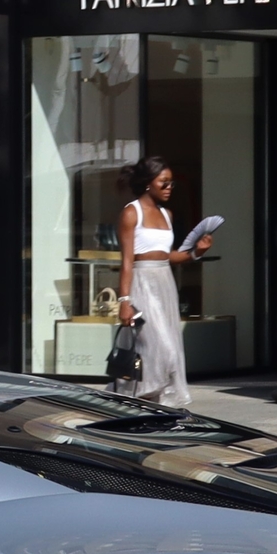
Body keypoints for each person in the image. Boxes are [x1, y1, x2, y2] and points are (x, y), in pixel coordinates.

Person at [113, 155, 213, 410]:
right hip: (141, 283)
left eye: (171, 184)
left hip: (165, 284)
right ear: (148, 183)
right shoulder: (131, 213)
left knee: (167, 350)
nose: (169, 188)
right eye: (164, 182)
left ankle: (153, 406)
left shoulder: (167, 214)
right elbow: (127, 261)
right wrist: (124, 301)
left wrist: (196, 252)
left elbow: (168, 256)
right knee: (160, 349)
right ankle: (140, 400)